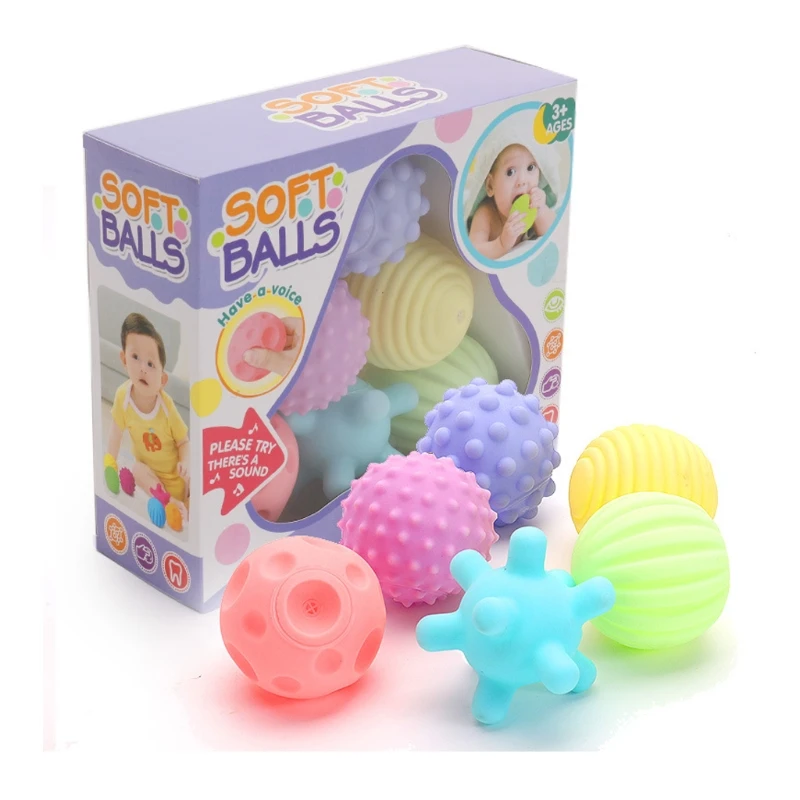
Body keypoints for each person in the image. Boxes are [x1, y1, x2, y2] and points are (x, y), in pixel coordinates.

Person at [106, 313, 190, 517]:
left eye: (151, 364)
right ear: (124, 359)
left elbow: (184, 442)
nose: (142, 368)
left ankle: (184, 504)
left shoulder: (167, 408)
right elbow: (116, 433)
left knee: (197, 481)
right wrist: (110, 463)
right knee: (136, 469)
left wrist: (186, 463)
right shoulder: (123, 397)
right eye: (135, 358)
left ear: (163, 380)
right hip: (150, 477)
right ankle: (167, 502)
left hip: (177, 479)